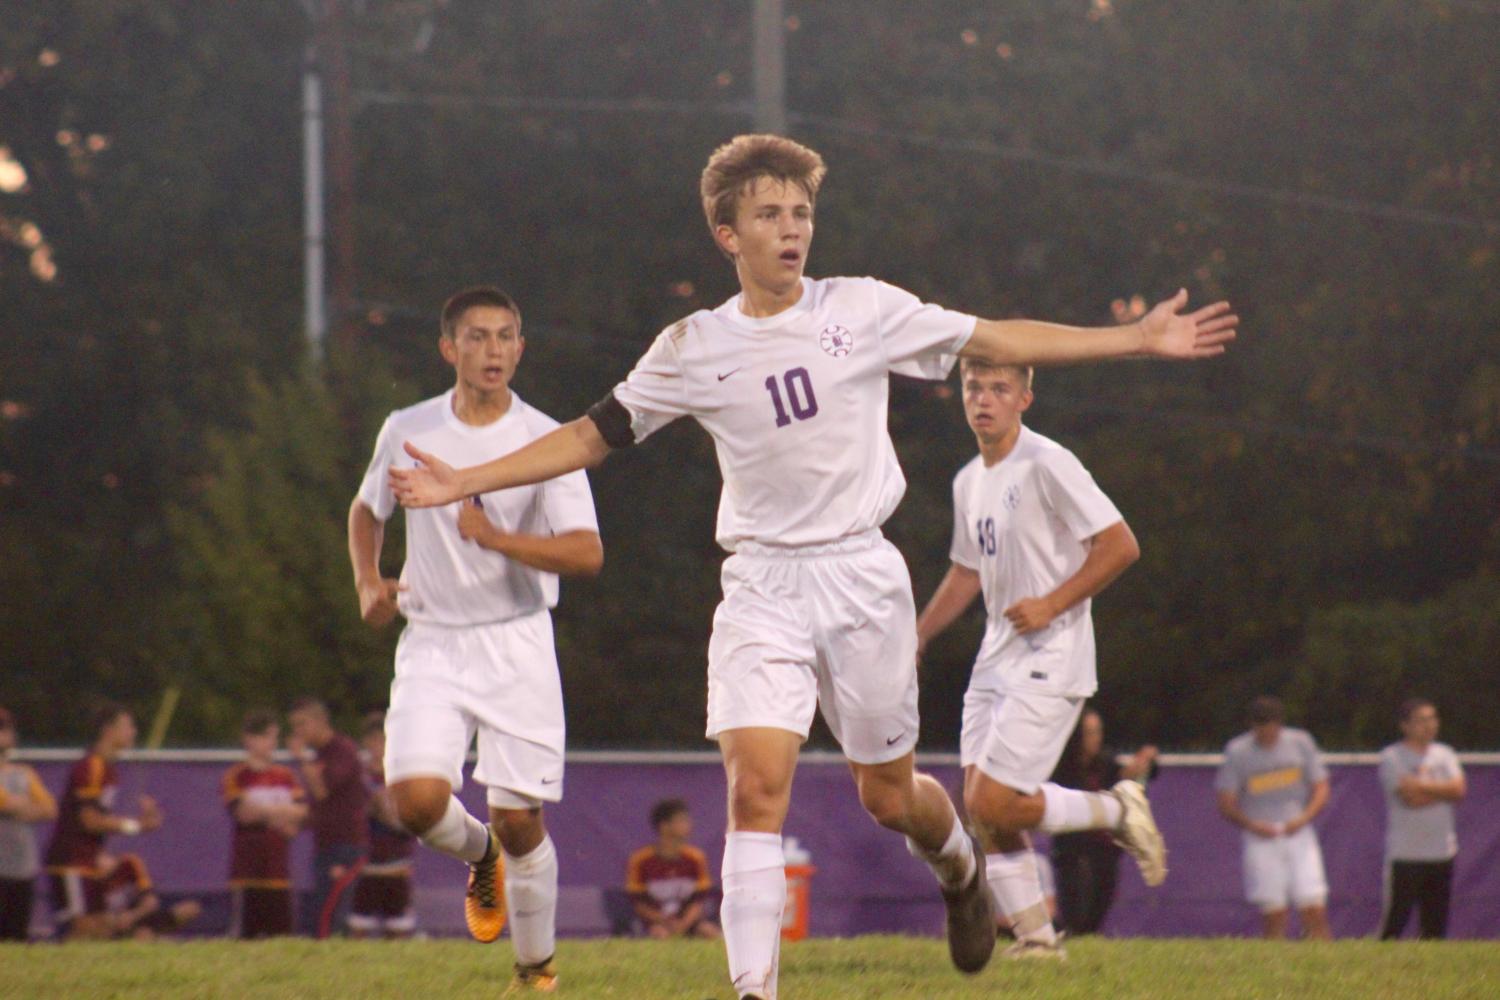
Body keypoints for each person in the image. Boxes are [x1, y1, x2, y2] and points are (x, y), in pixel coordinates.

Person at [389, 134, 1236, 998]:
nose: (792, 230)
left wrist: (1136, 338)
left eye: (801, 213)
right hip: (761, 585)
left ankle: (960, 871)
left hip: (864, 579)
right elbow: (586, 437)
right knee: (755, 791)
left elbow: (994, 334)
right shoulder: (692, 345)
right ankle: (757, 992)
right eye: (769, 214)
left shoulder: (862, 309)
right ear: (728, 235)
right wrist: (468, 477)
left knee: (890, 796)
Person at [350, 286, 601, 989]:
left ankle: (535, 971)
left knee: (523, 824)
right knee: (416, 803)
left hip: (516, 644)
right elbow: (366, 511)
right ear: (448, 348)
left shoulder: (547, 439)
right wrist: (369, 583)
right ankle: (479, 857)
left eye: (505, 337)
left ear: (521, 348)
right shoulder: (409, 426)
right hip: (432, 640)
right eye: (477, 337)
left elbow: (586, 553)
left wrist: (497, 536)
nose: (492, 350)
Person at [914, 359, 1155, 960]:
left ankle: (1116, 807)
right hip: (996, 653)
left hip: (1054, 651)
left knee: (996, 800)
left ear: (1025, 397)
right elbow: (968, 571)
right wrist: (917, 635)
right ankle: (1038, 941)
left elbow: (1120, 544)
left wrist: (1052, 603)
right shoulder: (970, 479)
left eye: (999, 389)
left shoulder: (1049, 462)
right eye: (974, 388)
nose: (984, 400)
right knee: (982, 807)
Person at [43, 703, 163, 939]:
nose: (133, 732)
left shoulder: (108, 769)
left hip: (87, 860)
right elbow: (89, 821)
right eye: (128, 726)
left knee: (100, 927)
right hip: (71, 860)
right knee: (83, 928)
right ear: (108, 731)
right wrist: (137, 825)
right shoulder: (92, 766)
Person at [1215, 696, 1331, 940]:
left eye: (1269, 725)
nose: (1265, 732)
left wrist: (1303, 818)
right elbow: (1225, 801)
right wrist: (1251, 824)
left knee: (1313, 905)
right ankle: (1274, 963)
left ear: (1279, 723)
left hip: (1297, 831)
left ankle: (1324, 960)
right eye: (1259, 726)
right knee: (1273, 909)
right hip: (1261, 836)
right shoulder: (1239, 751)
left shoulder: (1300, 743)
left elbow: (1321, 786)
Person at [1048, 707, 1158, 936]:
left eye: (1098, 731)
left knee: (1099, 907)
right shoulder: (1061, 766)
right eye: (1089, 732)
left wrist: (1142, 765)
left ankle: (1087, 942)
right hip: (1073, 851)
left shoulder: (1105, 761)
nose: (1095, 738)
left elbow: (1126, 776)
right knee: (1076, 910)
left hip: (1104, 851)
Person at [1377, 698, 1465, 940]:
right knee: (1395, 923)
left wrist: (1421, 785)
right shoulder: (1392, 757)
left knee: (1435, 926)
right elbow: (1410, 800)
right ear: (1405, 726)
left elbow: (1458, 791)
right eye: (1422, 720)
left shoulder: (1445, 754)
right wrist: (1442, 792)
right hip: (1406, 854)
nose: (1430, 725)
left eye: (1433, 719)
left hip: (1441, 851)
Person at [286, 697, 369, 937]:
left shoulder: (341, 750)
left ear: (320, 721)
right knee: (322, 908)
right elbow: (325, 806)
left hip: (346, 845)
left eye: (302, 724)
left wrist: (301, 758)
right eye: (294, 726)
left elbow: (323, 790)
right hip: (326, 844)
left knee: (329, 912)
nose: (297, 732)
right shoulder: (320, 755)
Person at [222, 708, 307, 938]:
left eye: (274, 737)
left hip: (278, 871)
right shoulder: (236, 776)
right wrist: (279, 815)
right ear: (250, 739)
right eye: (267, 736)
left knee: (282, 936)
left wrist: (264, 813)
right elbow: (243, 813)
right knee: (246, 936)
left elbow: (300, 812)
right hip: (247, 871)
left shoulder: (286, 776)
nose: (273, 743)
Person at [349, 712, 417, 940]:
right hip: (366, 865)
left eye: (384, 740)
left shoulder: (403, 778)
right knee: (358, 927)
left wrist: (391, 814)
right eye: (374, 740)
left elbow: (413, 822)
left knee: (398, 931)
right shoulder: (359, 778)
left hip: (397, 864)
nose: (379, 746)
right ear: (366, 743)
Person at [0, 705, 58, 941]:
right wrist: (21, 805)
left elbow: (49, 808)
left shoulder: (23, 773)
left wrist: (19, 806)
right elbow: (6, 803)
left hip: (21, 866)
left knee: (17, 933)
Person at [626, 799, 721, 940]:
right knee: (660, 935)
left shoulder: (695, 858)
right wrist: (664, 921)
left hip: (689, 921)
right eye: (681, 821)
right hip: (656, 924)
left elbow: (698, 900)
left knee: (709, 932)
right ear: (664, 826)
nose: (688, 825)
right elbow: (639, 903)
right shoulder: (640, 860)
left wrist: (683, 924)